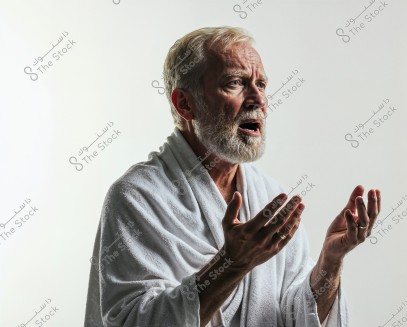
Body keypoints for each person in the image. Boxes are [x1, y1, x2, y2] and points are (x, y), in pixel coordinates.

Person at [84, 26, 381, 327]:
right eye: (235, 83)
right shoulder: (138, 196)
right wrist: (231, 263)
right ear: (185, 103)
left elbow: (297, 315)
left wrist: (330, 262)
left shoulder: (269, 196)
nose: (258, 100)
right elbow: (131, 320)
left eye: (262, 85)